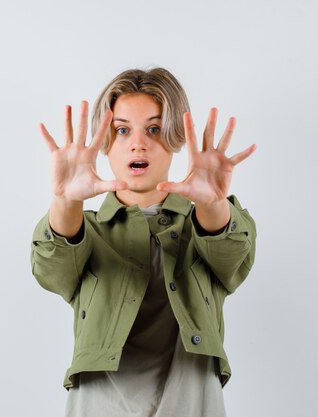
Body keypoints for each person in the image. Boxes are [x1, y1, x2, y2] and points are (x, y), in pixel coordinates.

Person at [30, 67, 257, 417]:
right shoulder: (86, 231)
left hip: (192, 403)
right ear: (105, 142)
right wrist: (65, 200)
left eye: (154, 129)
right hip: (99, 404)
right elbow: (51, 268)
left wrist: (212, 203)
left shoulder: (206, 223)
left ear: (176, 137)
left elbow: (232, 255)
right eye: (122, 130)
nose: (138, 143)